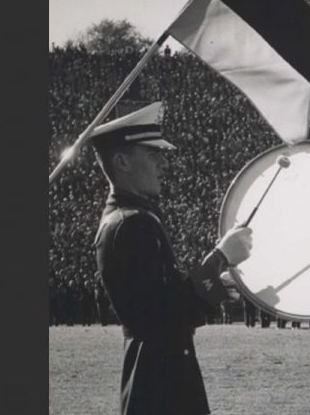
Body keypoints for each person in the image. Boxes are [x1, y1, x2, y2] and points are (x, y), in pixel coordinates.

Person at [90, 101, 253, 414]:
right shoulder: (132, 223)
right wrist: (219, 257)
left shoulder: (130, 218)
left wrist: (217, 281)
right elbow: (161, 317)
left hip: (157, 374)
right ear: (122, 161)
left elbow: (162, 297)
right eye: (152, 155)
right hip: (159, 385)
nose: (162, 164)